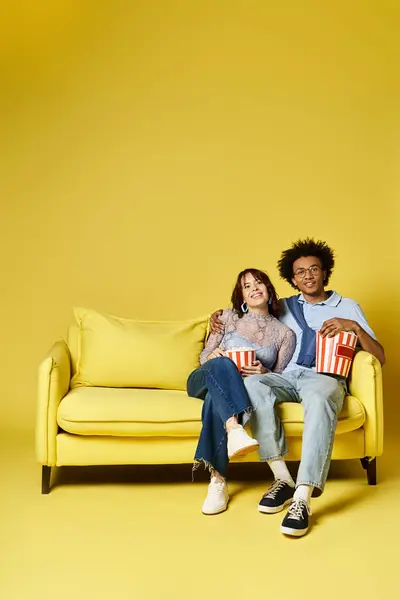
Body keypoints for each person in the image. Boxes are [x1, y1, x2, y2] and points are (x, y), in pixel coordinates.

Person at [210, 239, 385, 536]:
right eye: (300, 272)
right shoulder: (285, 306)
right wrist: (220, 318)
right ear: (292, 279)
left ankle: (302, 498)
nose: (307, 276)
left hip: (324, 377)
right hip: (286, 377)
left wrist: (353, 328)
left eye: (313, 269)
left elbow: (380, 357)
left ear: (325, 272)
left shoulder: (348, 307)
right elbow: (250, 313)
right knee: (253, 385)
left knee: (319, 398)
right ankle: (282, 479)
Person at [187, 269, 296, 515]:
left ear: (268, 290)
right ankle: (234, 430)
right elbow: (204, 355)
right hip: (203, 379)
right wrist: (212, 356)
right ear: (242, 296)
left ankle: (218, 480)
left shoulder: (285, 334)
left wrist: (263, 370)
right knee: (224, 365)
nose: (254, 288)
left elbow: (278, 377)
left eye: (258, 283)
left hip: (228, 392)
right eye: (247, 286)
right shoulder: (226, 318)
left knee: (216, 400)